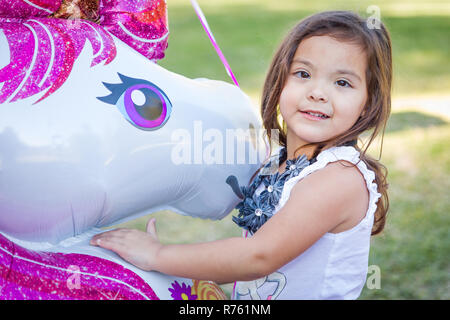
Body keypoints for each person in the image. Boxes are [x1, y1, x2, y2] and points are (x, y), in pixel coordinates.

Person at [90, 10, 392, 300]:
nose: (317, 92)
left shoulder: (338, 178)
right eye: (302, 73)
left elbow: (258, 256)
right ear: (280, 80)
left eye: (342, 83)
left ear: (368, 103)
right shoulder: (281, 161)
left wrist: (158, 256)